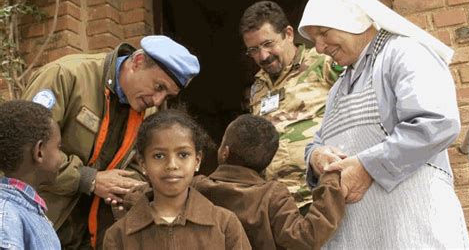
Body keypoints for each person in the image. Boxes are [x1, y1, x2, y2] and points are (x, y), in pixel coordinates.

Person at [298, 0, 469, 249]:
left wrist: (367, 167)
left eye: (323, 33)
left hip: (411, 230)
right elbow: (316, 142)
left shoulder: (404, 52)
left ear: (350, 18)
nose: (319, 47)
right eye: (314, 39)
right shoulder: (337, 88)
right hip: (360, 237)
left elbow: (437, 122)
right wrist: (316, 157)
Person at [21, 35, 200, 249]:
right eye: (159, 86)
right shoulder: (65, 75)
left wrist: (132, 186)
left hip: (91, 236)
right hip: (35, 224)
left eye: (167, 96)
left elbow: (136, 163)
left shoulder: (148, 108)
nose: (158, 101)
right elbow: (27, 146)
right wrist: (90, 179)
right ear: (138, 62)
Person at [240, 1, 341, 209]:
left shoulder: (323, 63)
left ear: (288, 34)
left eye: (268, 44)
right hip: (279, 206)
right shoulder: (257, 87)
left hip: (323, 197)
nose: (263, 56)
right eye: (253, 50)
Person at [192, 114, 346, 249]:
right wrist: (330, 178)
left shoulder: (196, 187)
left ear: (224, 152)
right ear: (268, 162)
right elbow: (306, 237)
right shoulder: (272, 195)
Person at [103, 109, 251, 250]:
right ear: (143, 163)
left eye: (183, 155)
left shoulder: (225, 225)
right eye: (159, 156)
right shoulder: (119, 236)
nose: (172, 165)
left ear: (197, 161)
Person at [0, 100, 63, 249]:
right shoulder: (6, 216)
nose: (62, 157)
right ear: (39, 151)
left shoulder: (26, 209)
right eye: (58, 147)